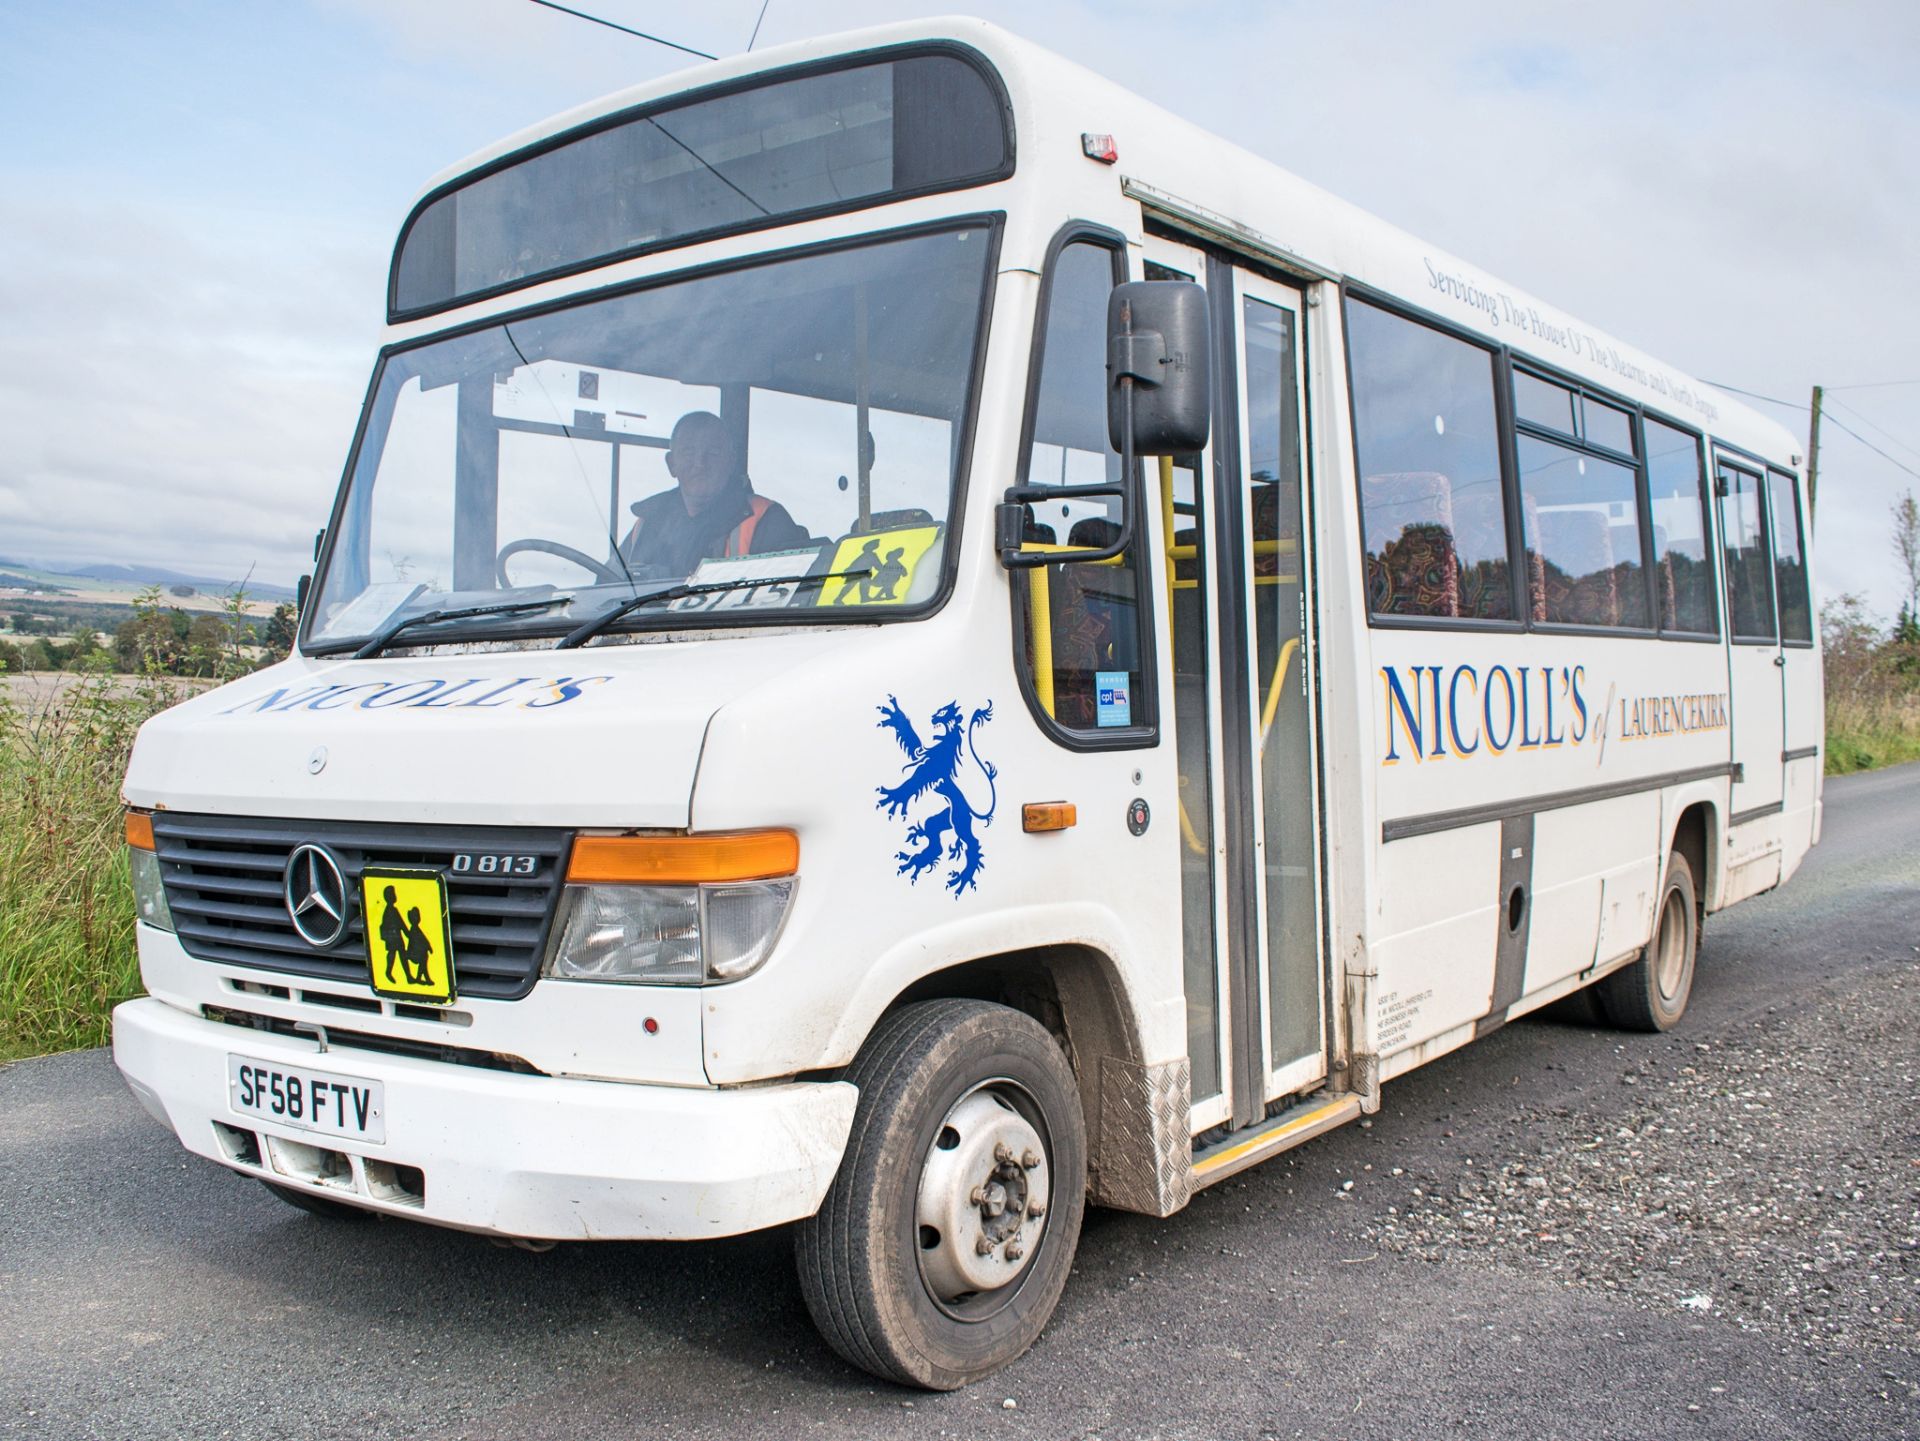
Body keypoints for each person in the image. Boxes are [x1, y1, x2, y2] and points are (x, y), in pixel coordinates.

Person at [620, 411, 810, 577]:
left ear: (730, 462)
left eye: (713, 453)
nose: (700, 463)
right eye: (688, 452)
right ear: (671, 464)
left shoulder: (766, 520)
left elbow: (791, 603)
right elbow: (607, 595)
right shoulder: (646, 525)